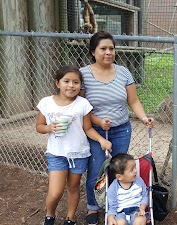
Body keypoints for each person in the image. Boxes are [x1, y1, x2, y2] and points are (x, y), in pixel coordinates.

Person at [79, 30, 154, 225]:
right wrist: (98, 121)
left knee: (118, 169)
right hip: (96, 132)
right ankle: (93, 207)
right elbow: (82, 109)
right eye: (103, 48)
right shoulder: (83, 74)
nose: (108, 52)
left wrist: (144, 118)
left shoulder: (123, 72)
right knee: (96, 170)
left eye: (111, 48)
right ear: (93, 52)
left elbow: (134, 100)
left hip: (121, 129)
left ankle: (115, 208)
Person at [36, 66, 112, 225]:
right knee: (55, 192)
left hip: (79, 153)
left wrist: (101, 140)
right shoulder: (46, 103)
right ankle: (49, 215)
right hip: (57, 154)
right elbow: (39, 127)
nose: (71, 85)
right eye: (66, 81)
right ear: (57, 83)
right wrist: (49, 128)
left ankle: (70, 218)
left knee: (73, 187)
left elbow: (88, 128)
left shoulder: (82, 104)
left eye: (76, 82)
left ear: (80, 85)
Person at [107, 153, 149, 225]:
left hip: (137, 210)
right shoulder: (113, 188)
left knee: (140, 220)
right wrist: (110, 217)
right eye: (132, 170)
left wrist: (142, 208)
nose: (136, 171)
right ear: (119, 177)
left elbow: (145, 195)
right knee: (119, 222)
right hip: (120, 213)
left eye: (135, 167)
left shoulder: (139, 181)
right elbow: (112, 207)